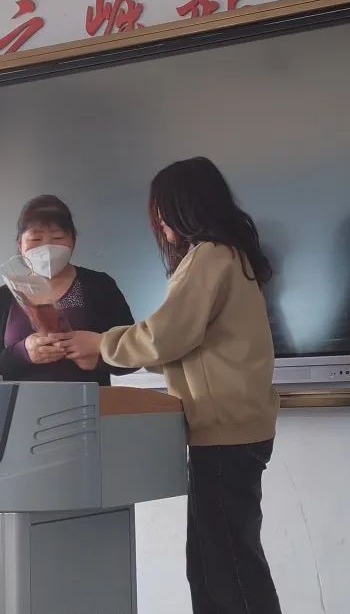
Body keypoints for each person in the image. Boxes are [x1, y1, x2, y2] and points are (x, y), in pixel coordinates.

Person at [62, 158, 282, 614]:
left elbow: (165, 335)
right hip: (232, 430)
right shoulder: (231, 256)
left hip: (225, 435)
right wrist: (110, 349)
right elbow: (188, 346)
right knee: (212, 565)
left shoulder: (210, 256)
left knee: (228, 570)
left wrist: (100, 343)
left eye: (163, 213)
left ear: (187, 209)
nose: (160, 225)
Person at [0, 194, 136, 385]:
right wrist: (22, 352)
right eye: (36, 238)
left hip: (85, 402)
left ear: (73, 240)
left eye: (57, 237)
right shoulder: (4, 296)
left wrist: (98, 357)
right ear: (20, 244)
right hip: (20, 403)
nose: (47, 247)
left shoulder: (99, 285)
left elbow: (134, 353)